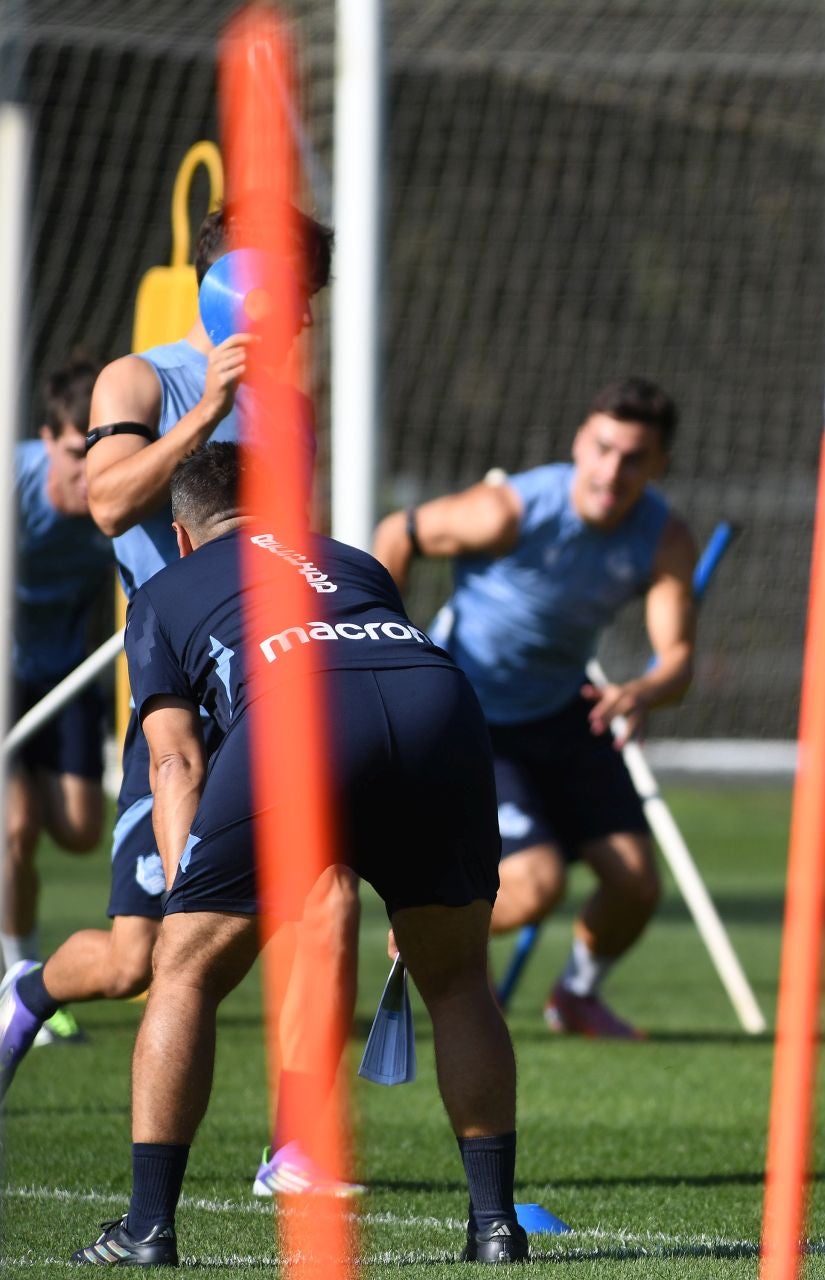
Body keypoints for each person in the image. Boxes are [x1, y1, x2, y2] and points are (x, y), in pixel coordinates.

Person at [5, 444, 524, 1264]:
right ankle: (496, 1227)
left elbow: (175, 758)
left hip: (302, 712)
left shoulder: (163, 590)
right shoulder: (350, 560)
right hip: (443, 705)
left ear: (181, 536)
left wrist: (187, 899)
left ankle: (147, 1229)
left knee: (185, 971)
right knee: (458, 982)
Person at [0, 199, 363, 1198]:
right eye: (291, 295)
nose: (300, 319)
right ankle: (27, 991)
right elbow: (111, 501)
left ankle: (295, 1148)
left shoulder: (292, 403)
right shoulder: (139, 377)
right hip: (170, 699)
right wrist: (204, 410)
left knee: (329, 898)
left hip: (268, 688)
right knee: (137, 958)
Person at [373, 377, 697, 1040]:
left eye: (634, 458)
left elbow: (679, 659)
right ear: (581, 441)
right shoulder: (509, 510)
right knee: (534, 885)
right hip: (472, 717)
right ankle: (425, 926)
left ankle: (575, 996)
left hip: (566, 712)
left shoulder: (664, 537)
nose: (612, 470)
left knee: (636, 885)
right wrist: (382, 640)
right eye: (603, 448)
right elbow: (396, 532)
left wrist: (642, 689)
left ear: (658, 465)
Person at [7, 354, 114, 1045]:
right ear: (50, 440)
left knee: (77, 828)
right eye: (78, 453)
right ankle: (16, 979)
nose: (91, 471)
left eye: (101, 452)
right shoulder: (14, 487)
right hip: (5, 674)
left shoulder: (120, 494)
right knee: (13, 826)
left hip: (67, 674)